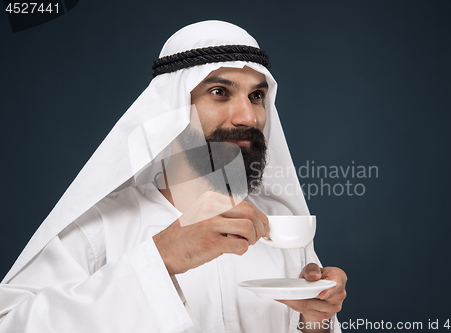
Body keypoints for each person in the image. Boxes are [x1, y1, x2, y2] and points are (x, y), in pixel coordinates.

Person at [0, 21, 347, 333]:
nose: (247, 116)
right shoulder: (99, 229)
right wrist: (159, 258)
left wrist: (314, 323)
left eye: (256, 96)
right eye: (219, 92)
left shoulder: (278, 228)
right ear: (171, 110)